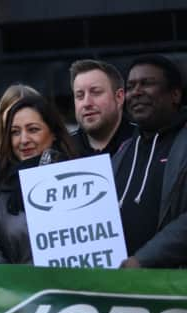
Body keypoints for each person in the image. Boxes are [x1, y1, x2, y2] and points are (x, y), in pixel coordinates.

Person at [0, 95, 77, 264]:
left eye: (33, 129)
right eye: (15, 132)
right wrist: (18, 286)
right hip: (24, 290)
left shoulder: (82, 177)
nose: (23, 140)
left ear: (54, 134)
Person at [113, 54, 187, 268]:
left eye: (147, 83)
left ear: (174, 95)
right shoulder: (122, 152)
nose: (136, 92)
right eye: (131, 86)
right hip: (117, 287)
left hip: (174, 290)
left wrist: (142, 260)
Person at [69, 59, 135, 157]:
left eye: (96, 92)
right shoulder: (62, 151)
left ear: (119, 97)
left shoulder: (144, 142)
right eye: (80, 95)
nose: (87, 103)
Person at [0, 83, 41, 179]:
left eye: (32, 129)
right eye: (11, 113)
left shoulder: (62, 157)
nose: (24, 140)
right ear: (1, 117)